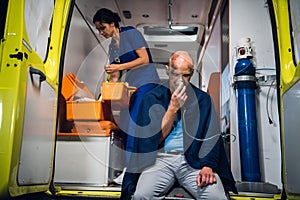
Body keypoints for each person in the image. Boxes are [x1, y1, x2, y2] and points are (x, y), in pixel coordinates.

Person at [127, 51, 237, 199]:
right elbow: (152, 140)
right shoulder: (152, 98)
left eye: (185, 76)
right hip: (161, 160)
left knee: (217, 197)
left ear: (191, 75)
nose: (180, 81)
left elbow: (211, 136)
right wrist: (172, 109)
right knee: (141, 195)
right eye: (175, 74)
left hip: (193, 162)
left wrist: (207, 165)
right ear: (167, 70)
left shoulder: (203, 100)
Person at [93, 8, 160, 197]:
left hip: (147, 83)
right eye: (98, 29)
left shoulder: (130, 33)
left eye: (102, 27)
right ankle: (131, 171)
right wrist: (105, 93)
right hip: (131, 88)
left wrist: (119, 66)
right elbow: (114, 75)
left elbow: (145, 59)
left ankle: (132, 175)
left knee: (134, 126)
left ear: (112, 23)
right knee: (126, 125)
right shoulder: (112, 47)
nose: (101, 32)